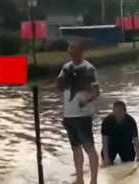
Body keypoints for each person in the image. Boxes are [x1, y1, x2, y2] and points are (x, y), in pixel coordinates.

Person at [57, 40, 100, 184]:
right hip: (68, 114)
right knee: (75, 148)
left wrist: (87, 100)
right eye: (70, 52)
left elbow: (96, 92)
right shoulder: (66, 67)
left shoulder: (89, 69)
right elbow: (59, 87)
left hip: (82, 115)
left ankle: (93, 180)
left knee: (89, 147)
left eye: (75, 52)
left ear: (81, 51)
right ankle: (80, 178)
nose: (72, 55)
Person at [101, 101, 139, 166]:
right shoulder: (107, 121)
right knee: (107, 161)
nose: (118, 114)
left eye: (120, 111)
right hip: (111, 145)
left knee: (129, 160)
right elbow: (104, 142)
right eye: (115, 111)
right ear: (113, 111)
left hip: (125, 145)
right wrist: (106, 159)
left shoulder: (130, 121)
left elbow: (136, 140)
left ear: (125, 111)